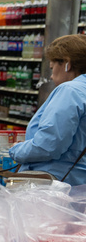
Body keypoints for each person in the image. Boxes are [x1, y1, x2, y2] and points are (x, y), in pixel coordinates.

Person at [8, 34, 86, 185]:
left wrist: (16, 150)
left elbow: (49, 145)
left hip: (55, 182)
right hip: (79, 182)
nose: (50, 77)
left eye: (52, 68)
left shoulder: (70, 90)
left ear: (67, 64)